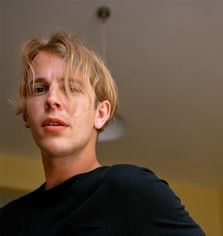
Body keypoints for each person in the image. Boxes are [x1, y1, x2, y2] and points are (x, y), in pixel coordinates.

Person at [0, 32, 205, 236]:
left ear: (100, 114)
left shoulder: (132, 190)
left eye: (71, 88)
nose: (52, 99)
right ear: (26, 112)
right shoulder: (8, 221)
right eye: (39, 89)